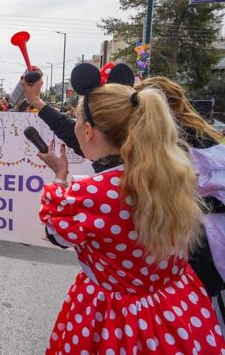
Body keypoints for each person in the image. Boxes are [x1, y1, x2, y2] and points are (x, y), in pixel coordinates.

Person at [36, 81, 224, 353]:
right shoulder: (175, 174)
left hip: (113, 317)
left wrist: (60, 177)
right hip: (179, 307)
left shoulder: (91, 193)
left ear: (87, 131)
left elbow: (57, 234)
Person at [136, 76, 225, 323]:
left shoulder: (174, 143)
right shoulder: (206, 135)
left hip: (197, 243)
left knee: (195, 314)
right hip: (210, 240)